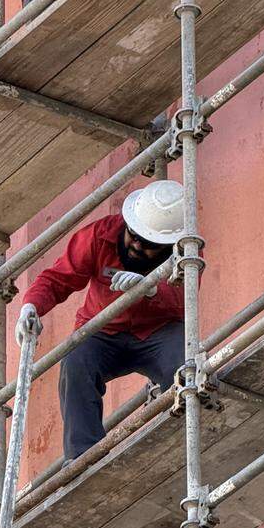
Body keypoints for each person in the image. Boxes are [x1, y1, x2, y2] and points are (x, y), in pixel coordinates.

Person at [18, 178, 186, 462]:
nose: (136, 246)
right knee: (75, 362)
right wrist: (31, 306)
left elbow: (184, 297)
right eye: (134, 235)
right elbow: (58, 278)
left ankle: (183, 437)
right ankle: (84, 457)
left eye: (148, 245)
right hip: (102, 332)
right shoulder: (99, 236)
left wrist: (151, 287)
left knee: (185, 364)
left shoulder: (184, 252)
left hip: (157, 332)